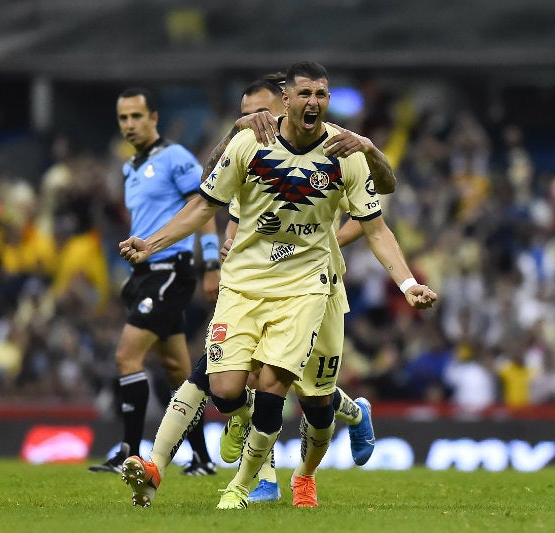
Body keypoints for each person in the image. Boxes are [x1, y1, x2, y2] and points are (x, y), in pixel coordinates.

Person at [119, 62, 437, 510]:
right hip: (244, 285)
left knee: (308, 398)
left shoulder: (344, 152)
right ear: (286, 99)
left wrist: (407, 283)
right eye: (305, 93)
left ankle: (265, 482)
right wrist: (151, 244)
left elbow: (376, 224)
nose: (313, 102)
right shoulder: (248, 143)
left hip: (310, 288)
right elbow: (203, 204)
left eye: (321, 94)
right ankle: (197, 456)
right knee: (225, 387)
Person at [87, 86, 220, 476]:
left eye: (136, 117)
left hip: (169, 272)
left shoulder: (176, 158)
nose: (129, 124)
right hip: (144, 275)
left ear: (154, 118)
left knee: (127, 356)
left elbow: (204, 206)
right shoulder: (132, 167)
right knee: (179, 372)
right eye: (123, 118)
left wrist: (210, 263)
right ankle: (202, 457)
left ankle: (128, 451)